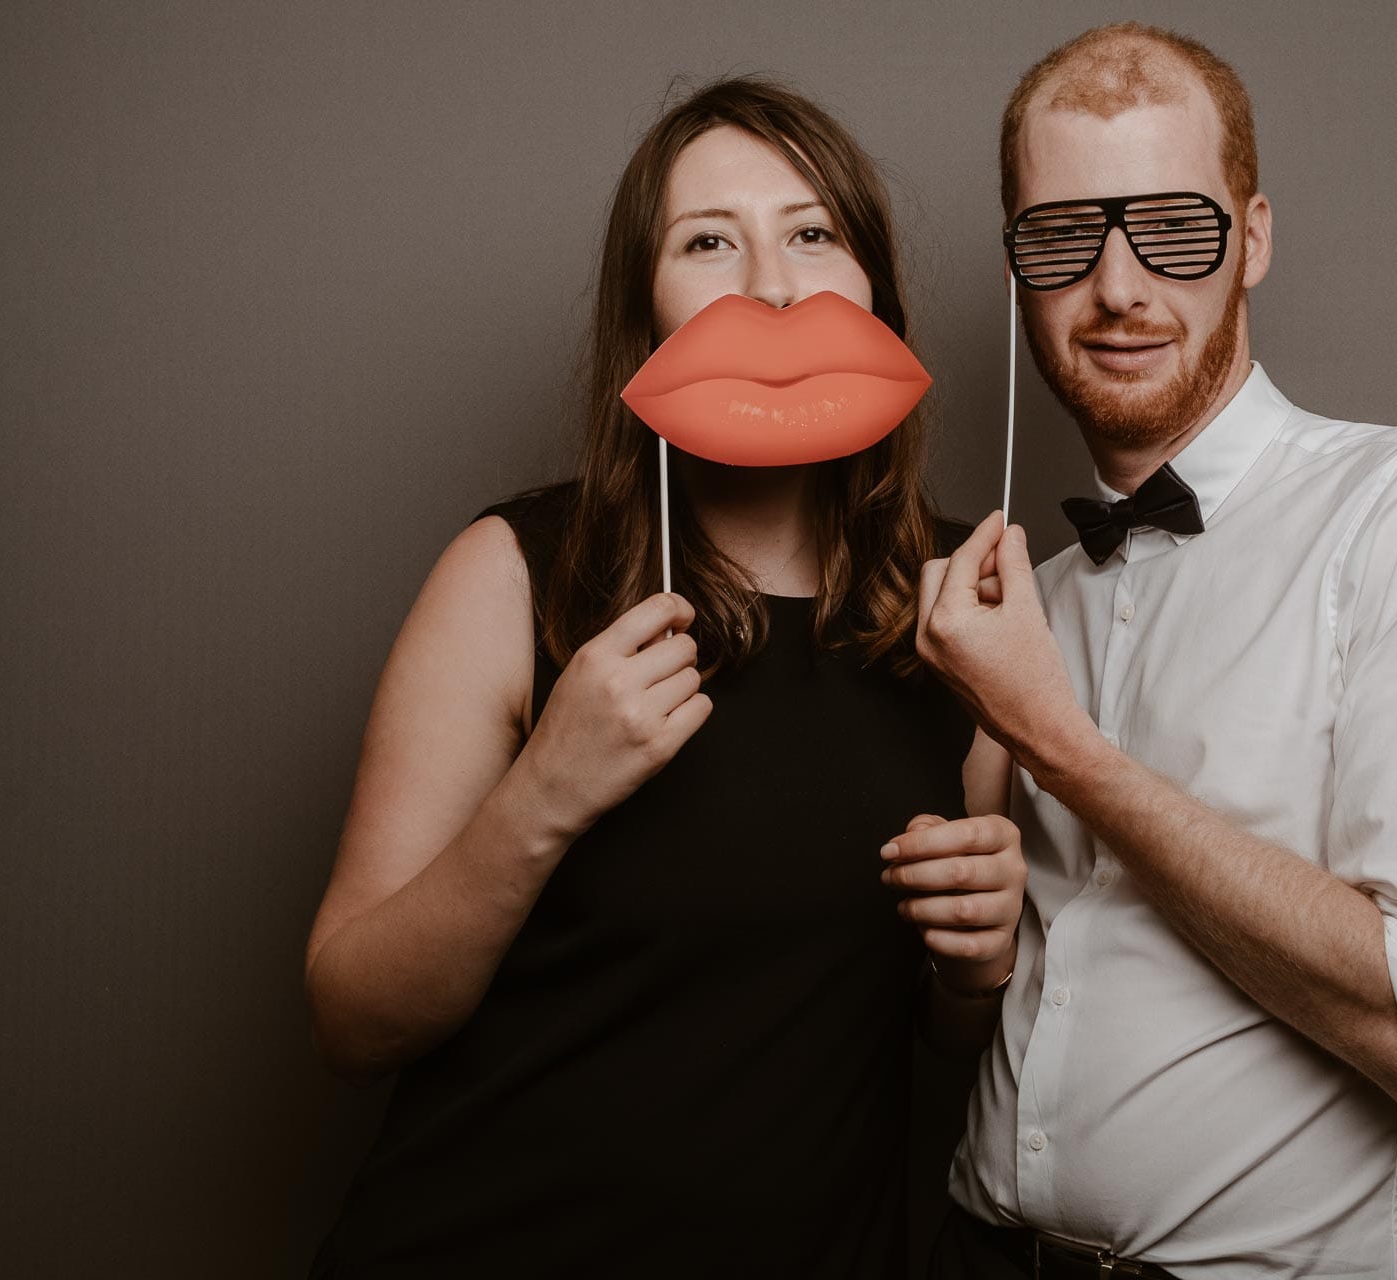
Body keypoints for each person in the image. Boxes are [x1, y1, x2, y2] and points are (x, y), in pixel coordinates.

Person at [303, 77, 1024, 1278]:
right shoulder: (512, 575)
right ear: (645, 314)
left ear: (875, 292)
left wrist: (977, 959)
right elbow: (351, 1016)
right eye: (707, 243)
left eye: (812, 233)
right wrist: (544, 793)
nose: (772, 286)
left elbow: (935, 1035)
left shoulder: (970, 599)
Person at [917, 23, 1397, 1279]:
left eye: (1171, 225)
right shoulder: (1014, 608)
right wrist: (966, 958)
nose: (1115, 288)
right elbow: (987, 1020)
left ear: (1252, 238)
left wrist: (1056, 743)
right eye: (1062, 236)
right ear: (1018, 272)